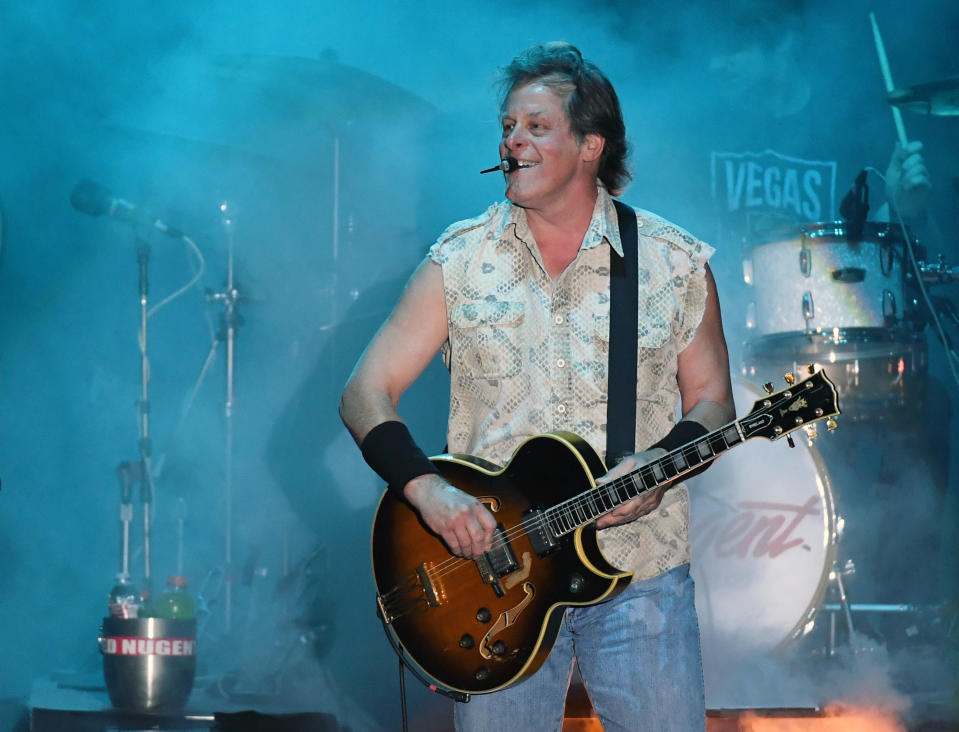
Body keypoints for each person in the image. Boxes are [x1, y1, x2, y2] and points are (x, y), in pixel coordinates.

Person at [340, 42, 735, 731]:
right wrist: (426, 490)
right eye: (506, 127)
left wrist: (656, 470)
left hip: (639, 579)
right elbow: (363, 392)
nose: (512, 141)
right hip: (490, 581)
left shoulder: (673, 264)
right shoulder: (459, 260)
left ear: (589, 146)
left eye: (535, 126)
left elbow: (713, 403)